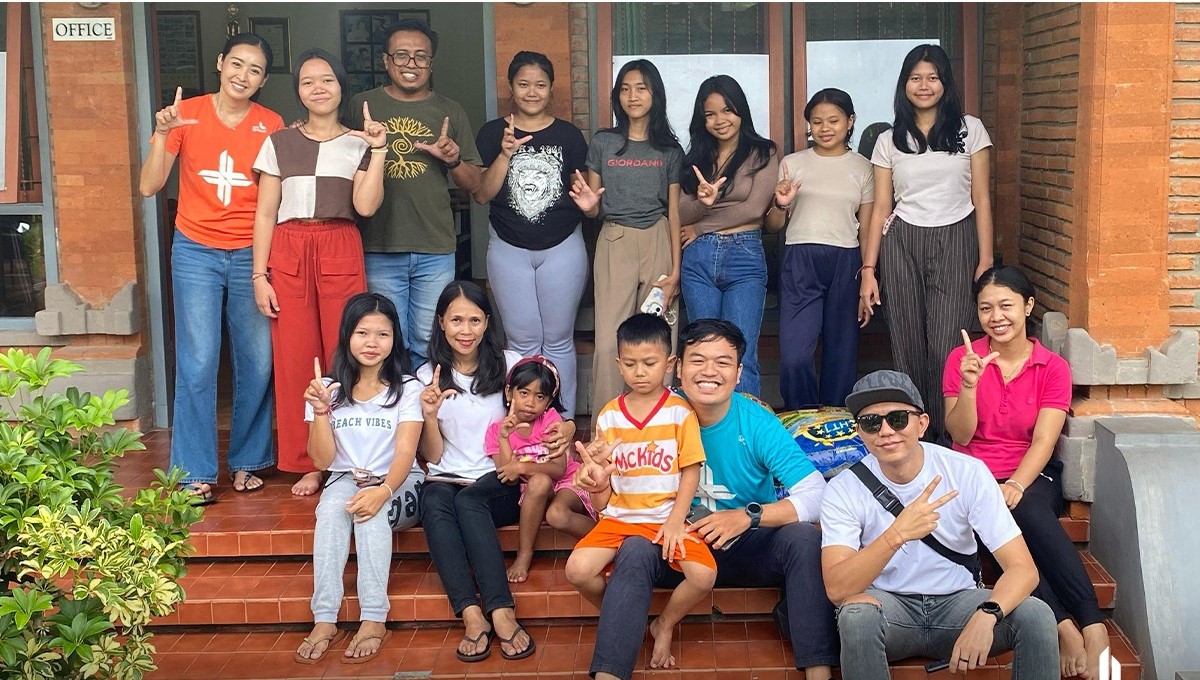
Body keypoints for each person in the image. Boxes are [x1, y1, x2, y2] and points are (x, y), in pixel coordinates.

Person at [575, 318, 836, 680]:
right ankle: (611, 671)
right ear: (678, 368)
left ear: (739, 373)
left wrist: (748, 517)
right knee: (634, 547)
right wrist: (597, 485)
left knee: (804, 537)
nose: (709, 371)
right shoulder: (652, 412)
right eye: (698, 360)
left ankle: (819, 671)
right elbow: (610, 504)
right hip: (673, 546)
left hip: (744, 545)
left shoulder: (757, 422)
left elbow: (818, 494)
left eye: (723, 362)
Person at [821, 369, 1058, 679]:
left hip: (958, 604)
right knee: (855, 615)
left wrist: (988, 614)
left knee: (1036, 615)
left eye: (898, 419)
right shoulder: (844, 488)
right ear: (860, 432)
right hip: (890, 608)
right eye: (871, 422)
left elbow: (1023, 569)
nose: (885, 431)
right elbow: (837, 588)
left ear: (922, 424)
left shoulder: (966, 472)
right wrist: (897, 534)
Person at [139, 33, 284, 504]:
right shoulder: (187, 114)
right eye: (237, 64)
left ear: (263, 80)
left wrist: (263, 267)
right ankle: (194, 472)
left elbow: (273, 200)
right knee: (199, 361)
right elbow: (149, 185)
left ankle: (249, 460)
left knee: (257, 360)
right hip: (196, 250)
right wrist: (163, 132)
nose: (243, 75)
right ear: (220, 63)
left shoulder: (271, 123)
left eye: (255, 70)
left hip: (250, 253)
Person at [944, 265, 1107, 680]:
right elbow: (960, 435)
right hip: (973, 475)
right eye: (985, 308)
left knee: (1028, 511)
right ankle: (1063, 625)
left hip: (1030, 472)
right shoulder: (962, 360)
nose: (996, 316)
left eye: (1006, 306)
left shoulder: (1052, 367)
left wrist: (1016, 482)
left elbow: (1044, 441)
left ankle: (1092, 625)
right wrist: (968, 385)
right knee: (995, 527)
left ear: (1028, 306)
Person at [416, 281, 575, 663]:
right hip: (446, 476)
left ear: (488, 322)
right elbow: (432, 455)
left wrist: (568, 427)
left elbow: (550, 408)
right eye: (456, 320)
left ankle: (501, 610)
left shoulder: (509, 364)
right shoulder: (426, 376)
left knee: (470, 502)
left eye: (474, 320)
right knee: (434, 502)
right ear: (441, 322)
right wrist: (430, 416)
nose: (465, 330)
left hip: (500, 476)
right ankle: (471, 613)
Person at [252, 49, 387, 496]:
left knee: (344, 352)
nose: (318, 88)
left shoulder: (358, 142)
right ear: (298, 91)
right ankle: (307, 460)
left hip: (339, 243)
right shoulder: (278, 142)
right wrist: (259, 276)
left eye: (327, 79)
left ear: (341, 86)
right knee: (295, 357)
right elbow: (265, 212)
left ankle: (346, 459)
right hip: (289, 246)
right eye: (308, 81)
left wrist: (378, 150)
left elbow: (366, 205)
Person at [859, 43, 995, 443]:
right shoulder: (889, 140)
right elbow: (881, 208)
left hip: (956, 236)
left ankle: (946, 436)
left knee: (946, 345)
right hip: (901, 241)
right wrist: (869, 270)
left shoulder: (970, 130)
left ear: (945, 83)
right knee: (906, 344)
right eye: (915, 78)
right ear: (904, 85)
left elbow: (982, 198)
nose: (924, 85)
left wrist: (985, 259)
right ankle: (915, 434)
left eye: (932, 77)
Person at [565, 313, 715, 672]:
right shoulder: (609, 416)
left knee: (704, 575)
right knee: (577, 570)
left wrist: (676, 520)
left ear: (669, 363)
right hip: (619, 518)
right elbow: (602, 492)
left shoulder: (680, 413)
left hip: (664, 518)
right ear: (619, 364)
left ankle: (664, 622)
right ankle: (624, 615)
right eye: (630, 364)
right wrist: (597, 483)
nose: (640, 372)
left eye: (649, 363)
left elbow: (690, 469)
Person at [293, 293, 424, 665]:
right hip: (345, 478)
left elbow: (406, 452)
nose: (372, 342)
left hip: (400, 481)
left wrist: (383, 491)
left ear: (395, 339)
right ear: (347, 335)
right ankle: (324, 618)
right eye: (362, 332)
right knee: (330, 510)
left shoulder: (408, 388)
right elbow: (322, 460)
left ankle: (374, 618)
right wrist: (321, 411)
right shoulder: (327, 389)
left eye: (383, 334)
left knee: (370, 513)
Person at [348, 19, 484, 369]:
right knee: (386, 342)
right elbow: (329, 149)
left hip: (434, 247)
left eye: (420, 56)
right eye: (401, 55)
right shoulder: (361, 106)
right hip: (378, 245)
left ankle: (426, 405)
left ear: (431, 63)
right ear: (385, 60)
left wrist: (453, 159)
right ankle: (396, 406)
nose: (411, 63)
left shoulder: (450, 111)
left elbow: (475, 185)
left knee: (429, 341)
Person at [474, 51, 589, 418]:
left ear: (551, 88)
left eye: (540, 84)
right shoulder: (492, 133)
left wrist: (591, 204)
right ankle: (524, 422)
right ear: (511, 87)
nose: (532, 92)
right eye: (523, 84)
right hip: (509, 246)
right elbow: (481, 194)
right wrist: (504, 154)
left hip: (563, 245)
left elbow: (584, 193)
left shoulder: (568, 135)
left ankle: (561, 421)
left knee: (558, 339)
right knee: (522, 340)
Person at [569, 59, 683, 418]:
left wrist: (675, 271)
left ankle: (659, 422)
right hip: (615, 239)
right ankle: (605, 424)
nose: (633, 96)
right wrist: (589, 207)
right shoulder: (605, 142)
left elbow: (674, 211)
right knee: (608, 341)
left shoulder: (669, 149)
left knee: (659, 335)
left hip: (658, 238)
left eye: (641, 88)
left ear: (655, 94)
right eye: (625, 88)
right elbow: (593, 205)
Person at [767, 88, 875, 410]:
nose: (825, 128)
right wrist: (780, 203)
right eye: (817, 121)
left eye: (833, 120)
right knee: (795, 355)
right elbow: (773, 225)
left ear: (850, 121)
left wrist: (867, 275)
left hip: (847, 260)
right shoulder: (793, 163)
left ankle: (835, 421)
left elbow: (867, 229)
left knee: (842, 353)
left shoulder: (864, 167)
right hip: (800, 260)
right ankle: (800, 416)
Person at [678, 75, 779, 397]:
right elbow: (681, 213)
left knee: (741, 352)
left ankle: (743, 426)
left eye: (727, 110)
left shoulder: (763, 153)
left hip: (744, 255)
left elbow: (755, 208)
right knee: (702, 353)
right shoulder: (695, 158)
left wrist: (702, 225)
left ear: (741, 111)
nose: (720, 120)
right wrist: (701, 203)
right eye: (710, 114)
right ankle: (703, 424)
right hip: (698, 259)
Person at [485, 355, 596, 583]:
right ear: (509, 393)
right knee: (538, 481)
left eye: (540, 396)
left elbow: (559, 468)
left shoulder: (550, 420)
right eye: (524, 393)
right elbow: (508, 477)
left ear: (548, 401)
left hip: (568, 482)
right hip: (537, 491)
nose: (530, 402)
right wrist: (504, 438)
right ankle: (524, 554)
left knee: (556, 514)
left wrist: (522, 466)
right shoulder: (496, 430)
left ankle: (609, 538)